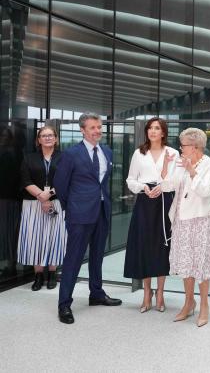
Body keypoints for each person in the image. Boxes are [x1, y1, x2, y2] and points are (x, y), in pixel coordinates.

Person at [53, 113, 122, 325]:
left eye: (99, 127)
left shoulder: (107, 152)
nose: (97, 131)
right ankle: (64, 303)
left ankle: (97, 294)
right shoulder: (71, 154)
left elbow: (102, 182)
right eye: (93, 127)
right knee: (73, 258)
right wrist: (72, 208)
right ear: (82, 130)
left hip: (101, 210)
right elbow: (61, 186)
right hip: (79, 214)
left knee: (98, 256)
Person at [161, 128, 210, 327]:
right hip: (180, 219)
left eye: (183, 145)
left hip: (201, 219)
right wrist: (167, 167)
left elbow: (204, 191)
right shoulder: (180, 162)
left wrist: (191, 171)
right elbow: (168, 186)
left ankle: (204, 305)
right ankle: (189, 302)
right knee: (185, 262)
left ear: (195, 147)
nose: (180, 148)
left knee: (200, 262)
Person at [123, 118, 178, 313]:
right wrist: (143, 187)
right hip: (145, 203)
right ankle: (147, 292)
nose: (153, 131)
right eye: (150, 128)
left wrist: (161, 187)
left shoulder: (173, 153)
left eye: (157, 128)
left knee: (162, 246)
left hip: (164, 202)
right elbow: (130, 179)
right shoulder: (139, 153)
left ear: (163, 132)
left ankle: (160, 293)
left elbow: (174, 181)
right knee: (144, 245)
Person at [17, 125, 67, 291]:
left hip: (57, 203)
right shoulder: (28, 157)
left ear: (56, 139)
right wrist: (41, 197)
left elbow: (67, 179)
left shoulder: (64, 157)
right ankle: (38, 275)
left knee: (54, 237)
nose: (47, 138)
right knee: (34, 238)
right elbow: (25, 180)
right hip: (32, 204)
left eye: (51, 135)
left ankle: (52, 273)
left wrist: (50, 194)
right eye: (44, 135)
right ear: (38, 140)